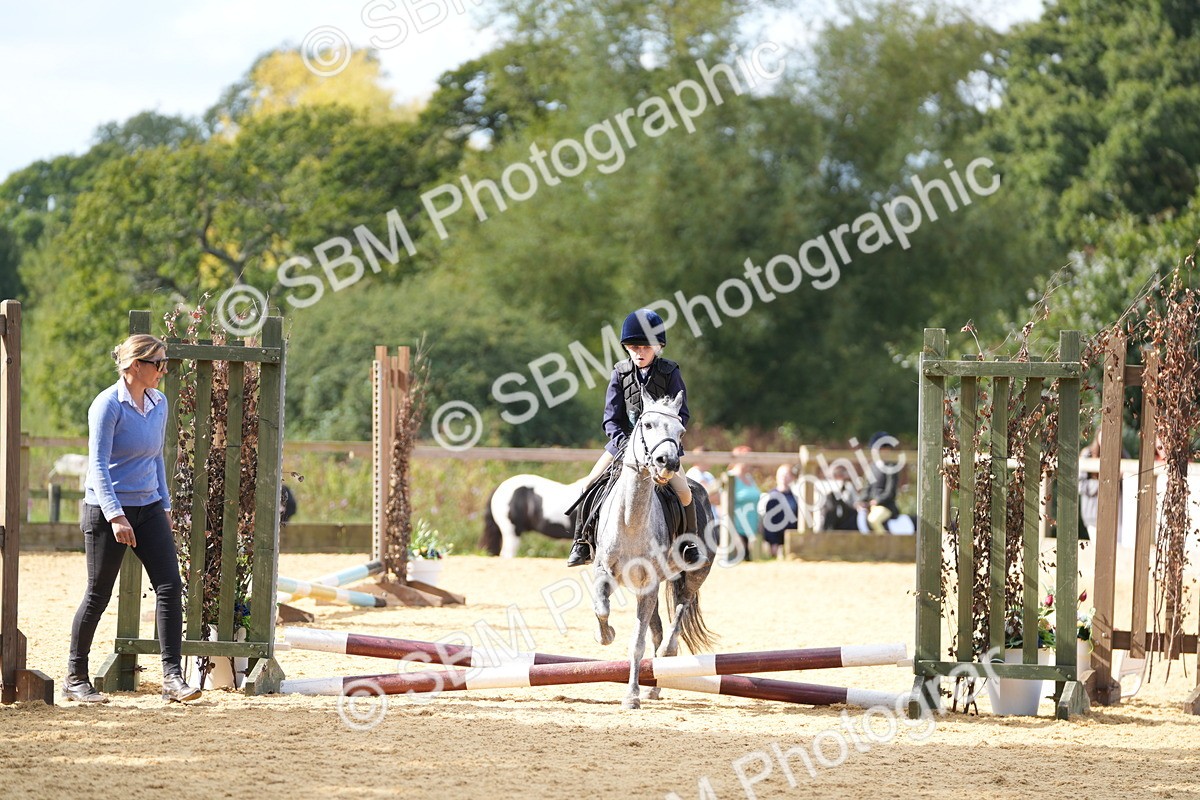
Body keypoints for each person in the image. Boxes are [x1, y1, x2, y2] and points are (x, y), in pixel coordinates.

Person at [65, 334, 201, 704]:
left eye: (165, 363)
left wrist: (166, 507)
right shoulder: (107, 405)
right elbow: (97, 467)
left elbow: (156, 457)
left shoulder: (159, 403)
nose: (164, 370)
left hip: (150, 507)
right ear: (135, 366)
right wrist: (115, 516)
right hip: (106, 511)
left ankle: (173, 679)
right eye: (159, 363)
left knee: (170, 587)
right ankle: (75, 678)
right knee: (98, 594)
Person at [567, 308, 697, 566]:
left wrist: (664, 442)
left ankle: (688, 545)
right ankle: (581, 543)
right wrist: (627, 447)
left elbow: (681, 414)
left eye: (645, 347)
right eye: (634, 347)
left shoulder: (670, 373)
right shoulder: (619, 373)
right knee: (588, 484)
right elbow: (610, 419)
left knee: (684, 494)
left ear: (658, 346)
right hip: (624, 447)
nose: (639, 352)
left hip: (660, 449)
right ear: (627, 347)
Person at [862, 431, 900, 532]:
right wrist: (861, 500)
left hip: (885, 506)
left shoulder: (891, 467)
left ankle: (884, 542)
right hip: (871, 505)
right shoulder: (871, 467)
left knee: (873, 520)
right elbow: (866, 488)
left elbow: (890, 492)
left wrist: (877, 501)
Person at [759, 464, 799, 558]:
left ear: (792, 478)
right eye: (782, 475)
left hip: (790, 539)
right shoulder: (770, 496)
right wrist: (773, 542)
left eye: (787, 475)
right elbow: (768, 521)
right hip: (775, 541)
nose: (784, 478)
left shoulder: (795, 498)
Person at [728, 446, 760, 562]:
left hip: (752, 529)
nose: (751, 463)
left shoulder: (750, 478)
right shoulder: (730, 477)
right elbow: (721, 504)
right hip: (737, 529)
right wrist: (731, 531)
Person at [820, 464, 861, 531]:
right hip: (831, 518)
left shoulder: (848, 486)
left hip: (846, 517)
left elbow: (855, 502)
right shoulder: (828, 487)